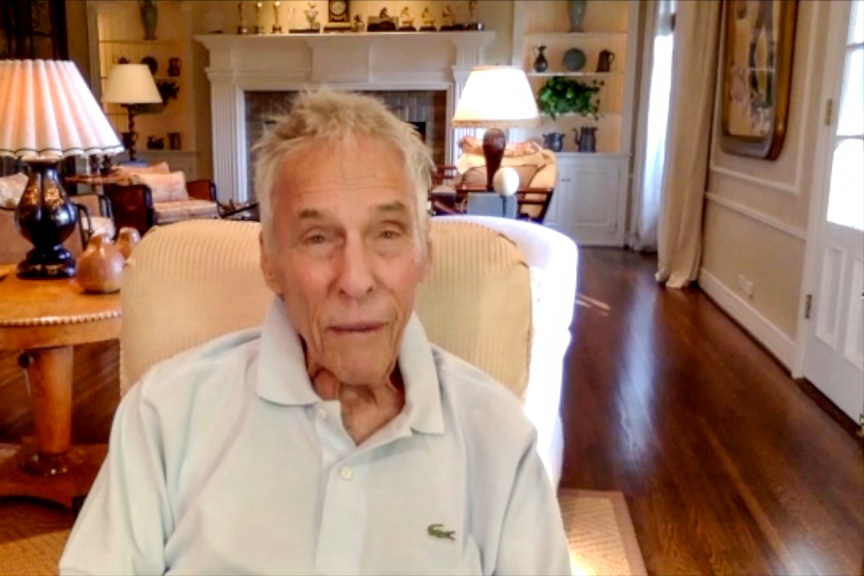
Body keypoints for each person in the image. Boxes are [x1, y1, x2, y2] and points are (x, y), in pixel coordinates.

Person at [59, 90, 571, 575]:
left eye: (387, 234)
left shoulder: (498, 438)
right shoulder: (165, 416)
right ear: (270, 262)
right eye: (318, 237)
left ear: (424, 255)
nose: (354, 280)